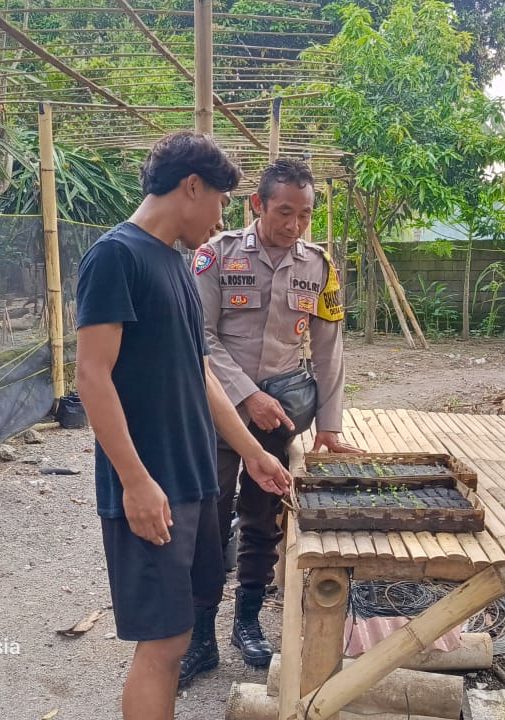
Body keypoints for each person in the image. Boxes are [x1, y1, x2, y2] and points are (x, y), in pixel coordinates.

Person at [75, 132, 293, 720]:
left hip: (194, 480)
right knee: (164, 642)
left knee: (181, 630)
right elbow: (92, 378)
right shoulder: (116, 256)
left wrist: (251, 452)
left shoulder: (175, 262)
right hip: (154, 484)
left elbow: (201, 374)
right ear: (191, 186)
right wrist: (135, 482)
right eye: (222, 200)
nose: (223, 217)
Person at [179, 158, 362, 685]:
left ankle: (247, 623)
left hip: (278, 418)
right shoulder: (215, 256)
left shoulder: (320, 266)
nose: (294, 225)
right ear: (257, 205)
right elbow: (202, 340)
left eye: (304, 215)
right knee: (208, 521)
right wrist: (247, 394)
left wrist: (329, 425)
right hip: (216, 413)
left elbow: (329, 349)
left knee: (263, 521)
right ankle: (200, 636)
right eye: (284, 212)